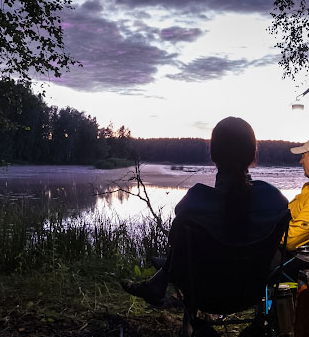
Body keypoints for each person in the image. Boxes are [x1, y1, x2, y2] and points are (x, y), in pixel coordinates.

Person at [121, 116, 288, 306]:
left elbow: (175, 240)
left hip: (203, 294)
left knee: (183, 243)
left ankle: (157, 286)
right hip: (251, 294)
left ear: (213, 155)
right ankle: (156, 285)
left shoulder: (195, 201)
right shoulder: (274, 199)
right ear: (253, 154)